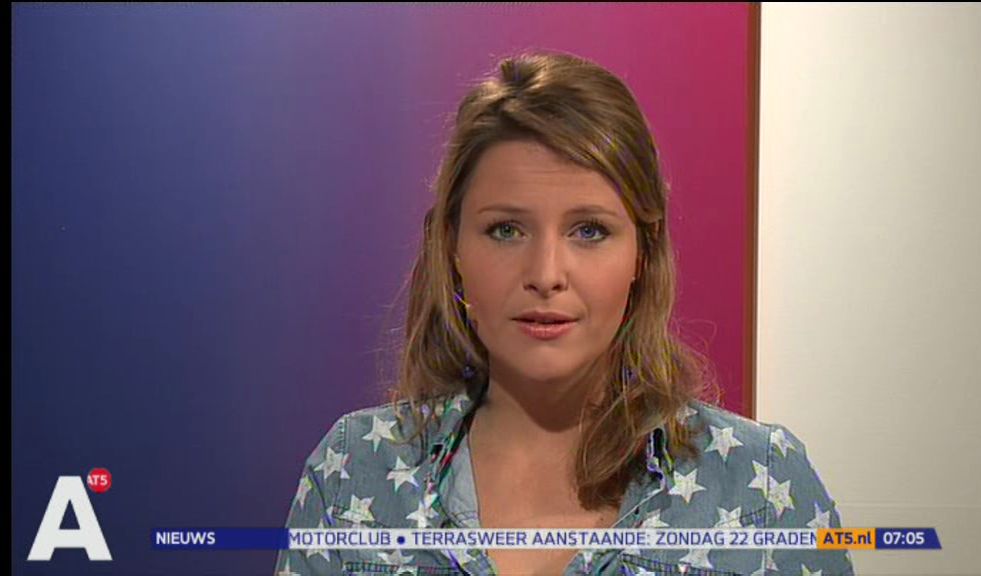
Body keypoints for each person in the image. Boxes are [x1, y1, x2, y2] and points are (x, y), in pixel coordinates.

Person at [275, 50, 855, 576]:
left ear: (642, 253)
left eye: (589, 230)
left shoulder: (761, 485)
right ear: (452, 250)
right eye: (506, 230)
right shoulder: (354, 470)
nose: (547, 273)